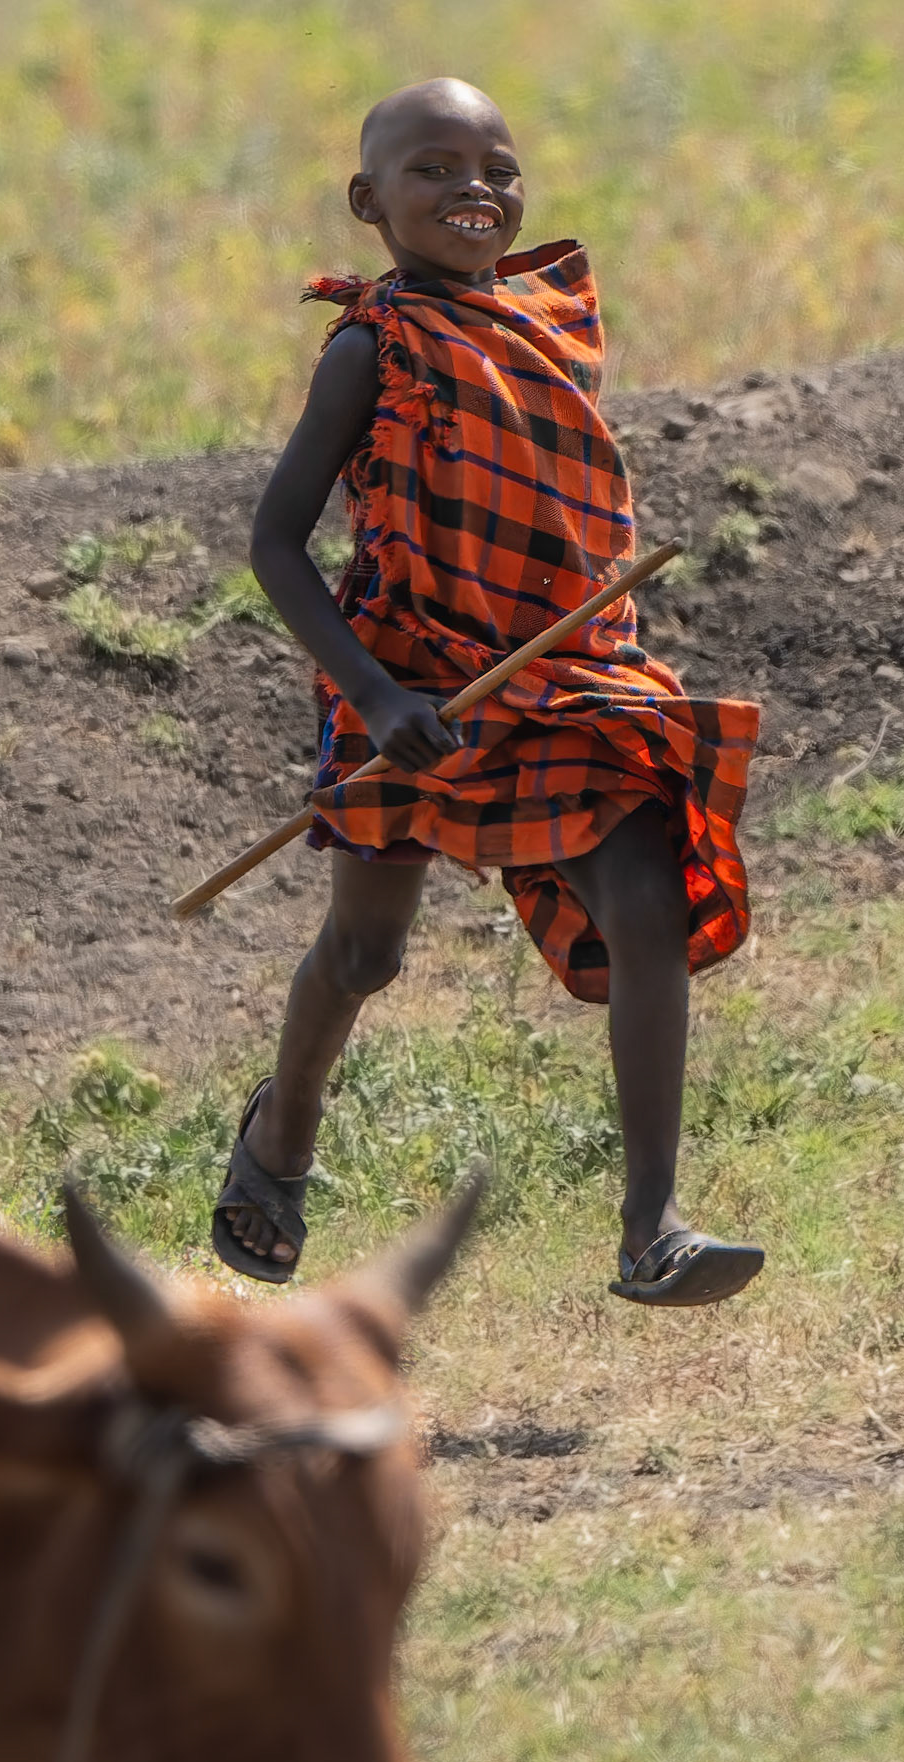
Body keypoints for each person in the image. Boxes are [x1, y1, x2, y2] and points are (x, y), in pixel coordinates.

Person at [214, 76, 763, 1307]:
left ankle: (650, 1225)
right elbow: (275, 543)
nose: (475, 190)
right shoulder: (370, 347)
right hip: (405, 679)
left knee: (645, 902)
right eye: (434, 169)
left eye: (497, 169)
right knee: (362, 954)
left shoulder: (549, 320)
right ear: (368, 201)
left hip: (565, 674)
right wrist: (373, 693)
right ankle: (281, 1134)